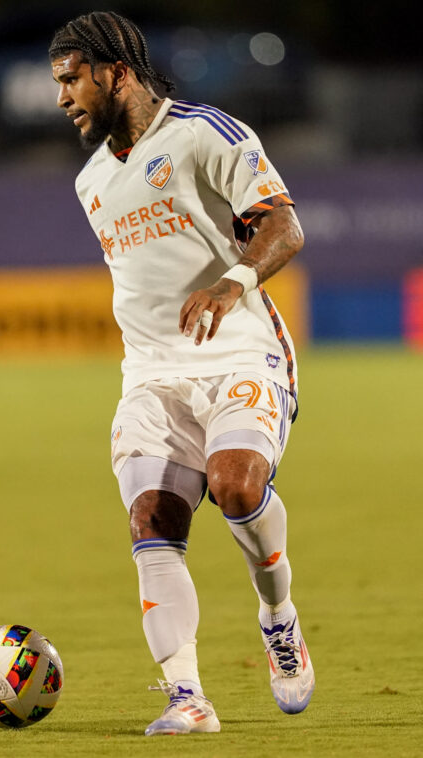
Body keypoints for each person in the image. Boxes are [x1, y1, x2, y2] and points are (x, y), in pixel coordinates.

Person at [48, 11, 315, 736]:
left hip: (236, 352)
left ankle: (277, 616)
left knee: (235, 485)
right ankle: (186, 699)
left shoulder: (206, 133)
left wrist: (232, 282)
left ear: (116, 72)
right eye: (58, 83)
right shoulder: (92, 181)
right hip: (150, 375)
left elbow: (283, 226)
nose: (63, 96)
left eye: (72, 78)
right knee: (152, 522)